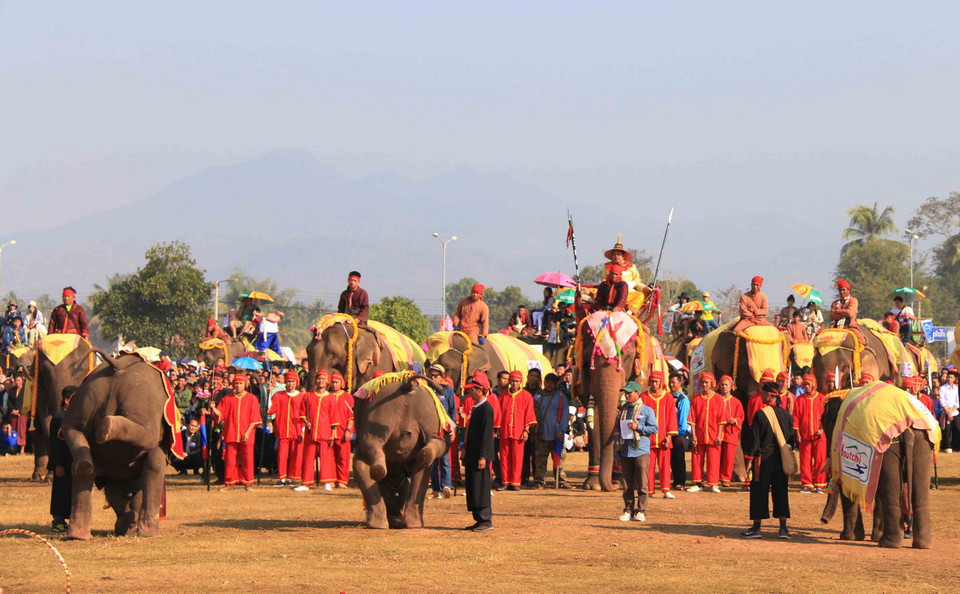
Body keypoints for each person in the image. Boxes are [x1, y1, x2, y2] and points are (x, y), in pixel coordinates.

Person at [741, 381, 794, 539]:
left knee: (759, 492)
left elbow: (754, 439)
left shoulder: (761, 414)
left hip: (762, 459)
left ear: (770, 395)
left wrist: (749, 460)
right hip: (780, 457)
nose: (761, 395)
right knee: (781, 491)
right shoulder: (786, 415)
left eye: (763, 393)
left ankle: (756, 528)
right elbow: (789, 437)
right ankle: (783, 529)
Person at [615, 380, 658, 522]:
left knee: (641, 482)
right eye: (625, 393)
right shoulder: (622, 410)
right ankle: (628, 510)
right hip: (625, 451)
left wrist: (638, 427)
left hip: (640, 451)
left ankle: (642, 510)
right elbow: (617, 431)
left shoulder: (647, 410)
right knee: (627, 484)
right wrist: (616, 453)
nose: (626, 396)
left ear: (637, 393)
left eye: (629, 393)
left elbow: (654, 429)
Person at [212, 373, 262, 491]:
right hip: (231, 432)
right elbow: (220, 415)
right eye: (236, 383)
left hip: (247, 433)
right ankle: (230, 482)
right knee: (230, 459)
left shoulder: (251, 398)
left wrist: (248, 432)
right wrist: (214, 409)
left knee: (247, 458)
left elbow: (255, 418)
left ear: (245, 384)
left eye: (240, 383)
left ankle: (247, 482)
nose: (238, 386)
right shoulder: (227, 399)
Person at [462, 371, 495, 531]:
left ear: (481, 390)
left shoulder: (486, 409)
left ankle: (485, 519)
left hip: (479, 455)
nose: (470, 392)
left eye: (473, 389)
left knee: (480, 486)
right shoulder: (476, 408)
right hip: (472, 453)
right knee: (473, 485)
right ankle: (477, 517)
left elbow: (486, 435)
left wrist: (483, 456)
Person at [296, 370, 336, 491]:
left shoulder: (331, 398)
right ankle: (306, 482)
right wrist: (305, 422)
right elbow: (302, 412)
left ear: (327, 381)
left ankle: (326, 482)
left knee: (326, 458)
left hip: (325, 432)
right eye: (318, 378)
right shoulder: (308, 396)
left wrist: (333, 434)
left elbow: (334, 417)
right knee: (308, 457)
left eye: (323, 379)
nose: (320, 381)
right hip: (311, 432)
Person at [641, 371, 678, 498]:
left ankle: (666, 489)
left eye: (656, 381)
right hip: (648, 438)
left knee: (665, 465)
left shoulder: (667, 397)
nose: (654, 384)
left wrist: (669, 436)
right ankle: (649, 490)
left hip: (663, 438)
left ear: (661, 383)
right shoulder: (644, 397)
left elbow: (671, 417)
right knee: (649, 466)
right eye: (652, 381)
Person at [687, 372, 726, 493]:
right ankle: (698, 483)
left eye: (706, 382)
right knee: (697, 457)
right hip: (699, 434)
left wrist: (720, 435)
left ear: (712, 384)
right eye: (702, 382)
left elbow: (721, 419)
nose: (704, 384)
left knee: (714, 458)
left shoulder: (718, 399)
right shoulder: (696, 399)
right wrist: (693, 435)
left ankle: (713, 483)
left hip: (713, 433)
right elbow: (692, 419)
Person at [497, 370, 535, 491]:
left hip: (518, 431)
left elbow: (529, 414)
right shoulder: (503, 395)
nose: (514, 383)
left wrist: (526, 430)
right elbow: (498, 413)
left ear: (521, 382)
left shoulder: (526, 396)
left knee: (518, 458)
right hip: (504, 431)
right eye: (512, 381)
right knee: (504, 457)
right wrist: (497, 429)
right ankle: (505, 481)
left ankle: (515, 482)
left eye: (516, 381)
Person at [532, 373, 570, 488]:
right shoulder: (538, 396)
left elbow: (565, 414)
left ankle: (561, 481)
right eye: (546, 382)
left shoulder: (560, 396)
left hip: (556, 433)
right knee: (540, 459)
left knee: (559, 459)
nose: (548, 385)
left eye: (551, 383)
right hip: (541, 433)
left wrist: (561, 430)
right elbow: (532, 411)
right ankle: (539, 480)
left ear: (555, 384)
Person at [267, 371, 303, 486]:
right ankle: (282, 477)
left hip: (297, 429)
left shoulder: (302, 397)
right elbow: (270, 409)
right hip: (282, 429)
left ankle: (292, 477)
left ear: (296, 382)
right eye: (288, 382)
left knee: (295, 454)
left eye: (292, 382)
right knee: (282, 455)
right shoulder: (278, 395)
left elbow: (305, 414)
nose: (290, 384)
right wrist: (268, 394)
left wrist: (303, 430)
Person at [48, 386, 77, 532]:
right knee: (60, 490)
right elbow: (54, 444)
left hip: (73, 460)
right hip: (62, 461)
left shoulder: (74, 416)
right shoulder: (59, 417)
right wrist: (57, 464)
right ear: (67, 400)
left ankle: (71, 519)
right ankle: (58, 521)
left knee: (72, 491)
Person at [793, 374, 826, 493]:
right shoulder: (800, 399)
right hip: (805, 434)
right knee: (805, 460)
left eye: (808, 384)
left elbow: (825, 417)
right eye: (805, 384)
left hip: (819, 436)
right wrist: (797, 433)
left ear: (814, 385)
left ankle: (820, 484)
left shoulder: (822, 398)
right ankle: (807, 483)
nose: (806, 386)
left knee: (820, 460)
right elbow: (796, 417)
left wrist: (822, 429)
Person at [428, 364, 457, 498]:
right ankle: (435, 489)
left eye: (435, 375)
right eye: (431, 375)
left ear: (442, 377)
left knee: (444, 459)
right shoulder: (426, 390)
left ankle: (446, 485)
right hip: (431, 430)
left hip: (444, 429)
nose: (432, 378)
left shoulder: (448, 391)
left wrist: (453, 429)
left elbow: (452, 410)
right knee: (432, 460)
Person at [329, 372, 354, 487]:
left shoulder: (347, 397)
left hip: (343, 431)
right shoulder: (328, 396)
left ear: (341, 383)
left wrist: (348, 430)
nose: (334, 385)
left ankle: (342, 481)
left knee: (343, 458)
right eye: (333, 382)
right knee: (331, 457)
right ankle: (332, 479)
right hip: (329, 432)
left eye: (336, 382)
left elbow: (351, 416)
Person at [718, 376, 744, 487]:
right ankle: (715, 477)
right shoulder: (716, 399)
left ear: (731, 387)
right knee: (717, 455)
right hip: (718, 432)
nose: (724, 387)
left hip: (730, 432)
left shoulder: (736, 402)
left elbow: (741, 417)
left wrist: (735, 420)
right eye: (722, 385)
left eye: (726, 385)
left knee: (729, 457)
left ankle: (726, 479)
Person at [669, 374, 691, 490]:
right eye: (670, 382)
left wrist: (680, 434)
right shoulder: (669, 397)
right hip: (670, 433)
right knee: (672, 458)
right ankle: (675, 480)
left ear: (680, 383)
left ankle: (681, 482)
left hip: (679, 433)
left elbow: (683, 418)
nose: (671, 384)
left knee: (679, 458)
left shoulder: (683, 399)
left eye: (674, 382)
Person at [829, 279, 864, 344]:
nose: (841, 292)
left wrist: (838, 311)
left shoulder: (853, 300)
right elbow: (832, 316)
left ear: (848, 290)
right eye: (840, 290)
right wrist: (844, 313)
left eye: (843, 290)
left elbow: (850, 313)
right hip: (835, 328)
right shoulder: (835, 303)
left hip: (850, 327)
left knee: (862, 341)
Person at [939, 370, 959, 453]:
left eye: (951, 377)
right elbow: (942, 401)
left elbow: (957, 402)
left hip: (955, 411)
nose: (949, 379)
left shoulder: (956, 388)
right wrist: (948, 412)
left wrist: (952, 411)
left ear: (954, 379)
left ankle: (956, 446)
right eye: (948, 377)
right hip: (945, 411)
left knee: (958, 428)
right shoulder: (942, 388)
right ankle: (948, 446)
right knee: (947, 429)